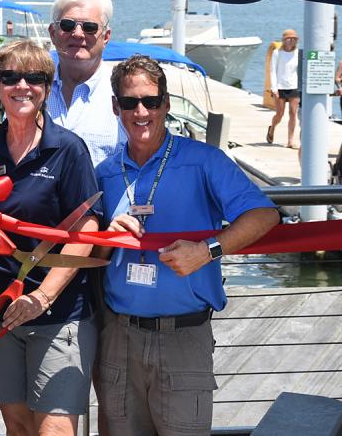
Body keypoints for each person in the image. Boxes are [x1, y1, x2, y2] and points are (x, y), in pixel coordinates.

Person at [94, 54, 280, 436]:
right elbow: (91, 256)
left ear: (166, 104)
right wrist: (106, 239)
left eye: (150, 101)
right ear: (116, 107)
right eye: (130, 102)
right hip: (119, 337)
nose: (141, 112)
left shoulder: (203, 161)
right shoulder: (105, 173)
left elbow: (265, 215)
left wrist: (207, 251)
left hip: (184, 338)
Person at [0, 40, 103, 436]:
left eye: (34, 77)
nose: (22, 86)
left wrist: (42, 297)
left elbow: (87, 228)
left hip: (58, 313)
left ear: (47, 88)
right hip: (1, 307)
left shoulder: (67, 149)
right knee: (17, 426)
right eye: (10, 77)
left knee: (54, 430)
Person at [46, 0, 126, 167]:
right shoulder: (31, 90)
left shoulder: (123, 95)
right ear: (52, 33)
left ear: (106, 37)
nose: (77, 34)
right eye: (67, 25)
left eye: (89, 27)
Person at [267, 28, 300, 148]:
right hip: (280, 87)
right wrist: (274, 88)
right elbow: (272, 71)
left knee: (293, 113)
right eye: (289, 38)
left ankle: (290, 140)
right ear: (284, 40)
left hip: (294, 86)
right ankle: (272, 128)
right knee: (279, 114)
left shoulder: (298, 53)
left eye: (294, 39)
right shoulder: (277, 53)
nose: (291, 40)